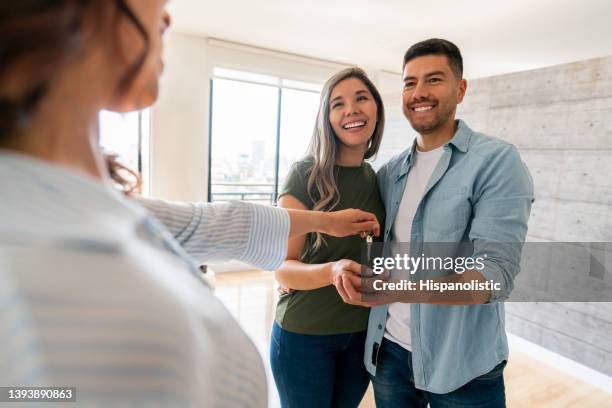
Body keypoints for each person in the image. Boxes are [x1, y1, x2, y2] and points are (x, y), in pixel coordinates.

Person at [0, 2, 380, 406]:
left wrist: (329, 223)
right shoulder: (32, 284)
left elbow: (218, 223)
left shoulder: (100, 206)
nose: (166, 18)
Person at [334, 39, 534, 407]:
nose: (419, 92)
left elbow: (493, 274)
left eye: (434, 80)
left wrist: (397, 290)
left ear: (460, 89)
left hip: (461, 365)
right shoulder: (390, 172)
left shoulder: (495, 162)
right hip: (389, 354)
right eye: (409, 83)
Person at [270, 67, 386, 408]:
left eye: (361, 98)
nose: (351, 109)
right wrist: (332, 270)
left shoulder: (381, 181)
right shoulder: (304, 174)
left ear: (377, 111)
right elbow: (282, 269)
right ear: (327, 117)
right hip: (304, 335)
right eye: (338, 103)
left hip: (362, 336)